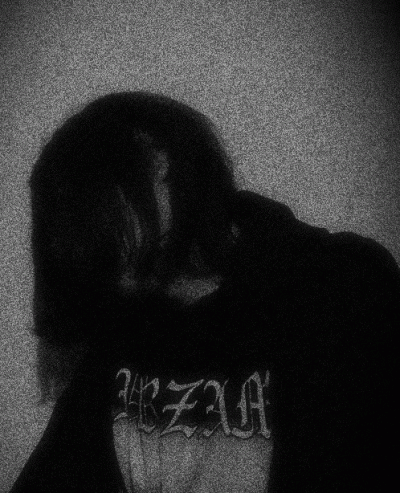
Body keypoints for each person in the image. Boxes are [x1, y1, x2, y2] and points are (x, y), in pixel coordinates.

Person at [11, 91, 399, 492]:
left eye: (96, 202)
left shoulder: (342, 285)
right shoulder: (116, 336)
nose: (90, 238)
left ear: (162, 160)